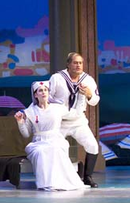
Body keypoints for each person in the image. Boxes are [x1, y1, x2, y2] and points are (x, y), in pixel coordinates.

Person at [14, 81, 88, 191]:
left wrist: (81, 96)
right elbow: (26, 134)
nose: (43, 92)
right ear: (35, 95)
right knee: (41, 152)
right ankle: (46, 184)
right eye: (40, 90)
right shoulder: (30, 112)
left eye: (45, 90)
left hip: (56, 140)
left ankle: (60, 182)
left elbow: (76, 113)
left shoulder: (57, 108)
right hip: (38, 142)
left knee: (55, 149)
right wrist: (20, 122)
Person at [49, 52, 100, 188]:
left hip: (78, 120)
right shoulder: (57, 78)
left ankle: (87, 176)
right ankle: (58, 178)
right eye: (75, 62)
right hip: (60, 121)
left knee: (93, 146)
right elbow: (48, 97)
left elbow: (95, 101)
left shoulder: (88, 80)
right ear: (68, 64)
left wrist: (89, 94)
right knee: (57, 148)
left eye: (80, 63)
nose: (78, 65)